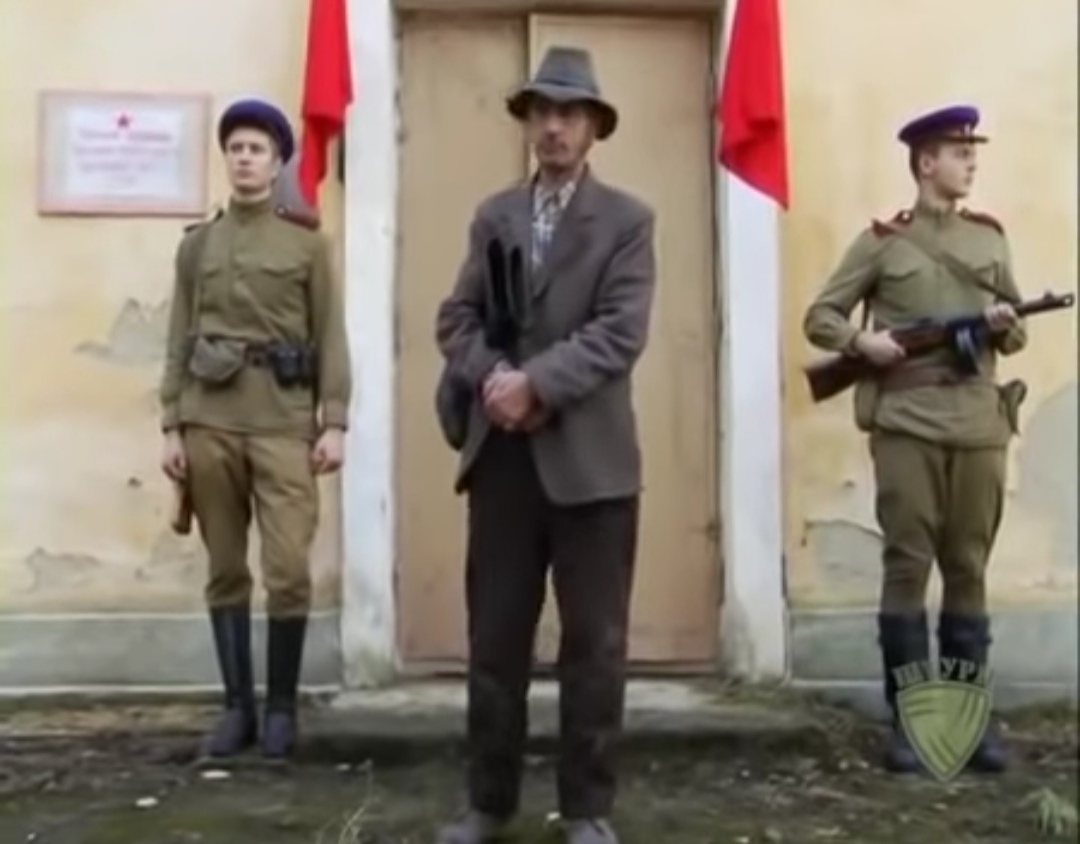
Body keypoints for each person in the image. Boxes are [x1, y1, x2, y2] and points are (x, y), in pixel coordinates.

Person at [433, 46, 656, 844]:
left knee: (595, 648)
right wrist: (495, 377)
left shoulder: (627, 222)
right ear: (528, 124)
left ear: (594, 127)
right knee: (495, 643)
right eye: (542, 112)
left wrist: (538, 384)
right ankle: (488, 803)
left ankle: (588, 810)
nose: (554, 126)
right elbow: (456, 318)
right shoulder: (494, 215)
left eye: (569, 113)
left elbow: (620, 331)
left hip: (594, 468)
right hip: (503, 463)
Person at [802, 105, 1026, 774]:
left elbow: (1016, 334)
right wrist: (860, 342)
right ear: (926, 163)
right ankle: (911, 725)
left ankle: (966, 725)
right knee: (907, 565)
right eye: (958, 151)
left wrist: (1005, 324)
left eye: (972, 151)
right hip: (906, 423)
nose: (971, 162)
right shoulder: (883, 243)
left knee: (969, 566)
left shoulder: (990, 239)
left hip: (979, 423)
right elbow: (821, 316)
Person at [158, 98, 351, 761]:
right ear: (227, 159)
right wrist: (172, 424)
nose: (244, 159)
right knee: (224, 568)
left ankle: (282, 709)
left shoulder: (306, 245)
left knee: (288, 568)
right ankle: (237, 708)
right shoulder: (198, 247)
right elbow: (179, 337)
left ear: (276, 163)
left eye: (256, 149)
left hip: (283, 423)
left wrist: (334, 421)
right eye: (236, 148)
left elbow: (330, 335)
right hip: (209, 418)